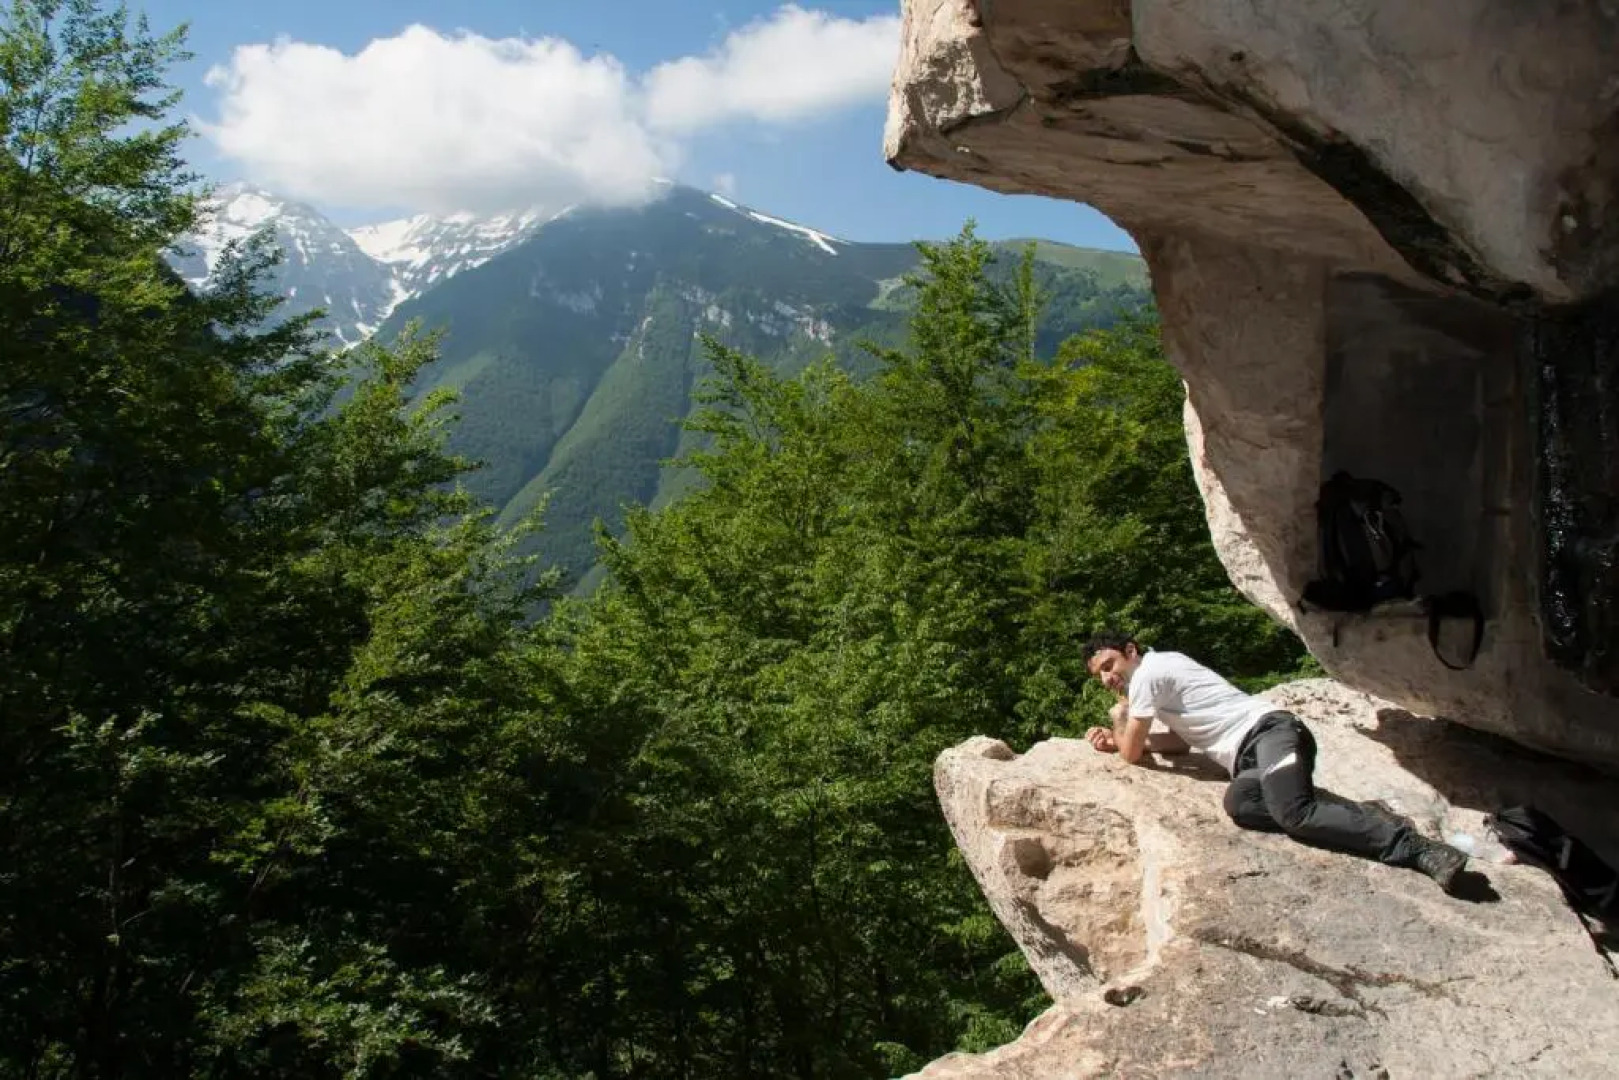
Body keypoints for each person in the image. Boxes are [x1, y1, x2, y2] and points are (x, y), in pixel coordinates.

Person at [1081, 630, 1468, 894]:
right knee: (1241, 804)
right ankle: (1361, 817)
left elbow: (1133, 752)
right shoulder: (1161, 673)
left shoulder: (1149, 673)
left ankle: (1416, 848)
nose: (1107, 679)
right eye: (1099, 675)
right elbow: (1177, 746)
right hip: (1249, 756)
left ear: (1131, 651)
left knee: (1294, 814)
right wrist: (1123, 743)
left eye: (1109, 666)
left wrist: (1120, 729)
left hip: (1272, 733)